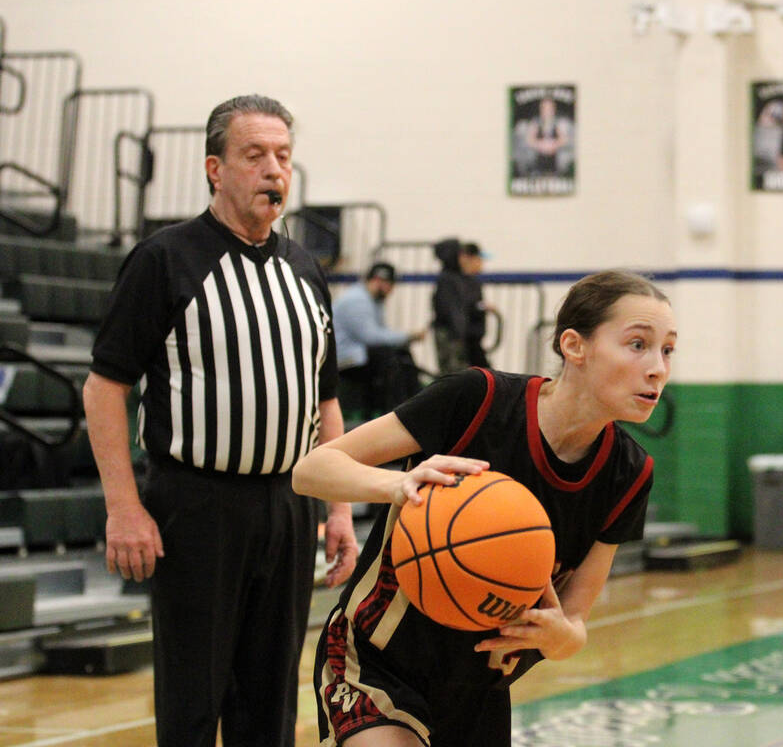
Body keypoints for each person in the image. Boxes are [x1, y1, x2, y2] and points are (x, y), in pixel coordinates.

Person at [293, 270, 674, 746]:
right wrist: (399, 483)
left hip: (479, 691)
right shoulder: (479, 399)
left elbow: (574, 621)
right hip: (375, 661)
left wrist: (561, 638)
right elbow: (311, 470)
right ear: (575, 346)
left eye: (667, 350)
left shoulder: (628, 473)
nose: (658, 367)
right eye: (638, 344)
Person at [82, 94, 359, 747]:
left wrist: (339, 509)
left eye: (283, 157)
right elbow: (103, 388)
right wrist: (124, 508)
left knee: (269, 701)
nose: (273, 170)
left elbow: (327, 404)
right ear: (215, 168)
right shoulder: (165, 259)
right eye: (254, 155)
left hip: (290, 506)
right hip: (196, 505)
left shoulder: (304, 270)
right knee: (193, 695)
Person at [334, 262, 425, 417]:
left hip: (359, 354)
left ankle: (411, 409)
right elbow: (371, 337)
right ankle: (395, 412)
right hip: (347, 359)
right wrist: (407, 336)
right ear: (379, 282)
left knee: (401, 354)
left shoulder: (371, 300)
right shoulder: (357, 300)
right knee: (390, 359)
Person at [432, 238, 491, 375]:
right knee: (455, 376)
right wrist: (461, 336)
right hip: (455, 337)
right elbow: (454, 312)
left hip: (462, 337)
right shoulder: (449, 281)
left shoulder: (460, 280)